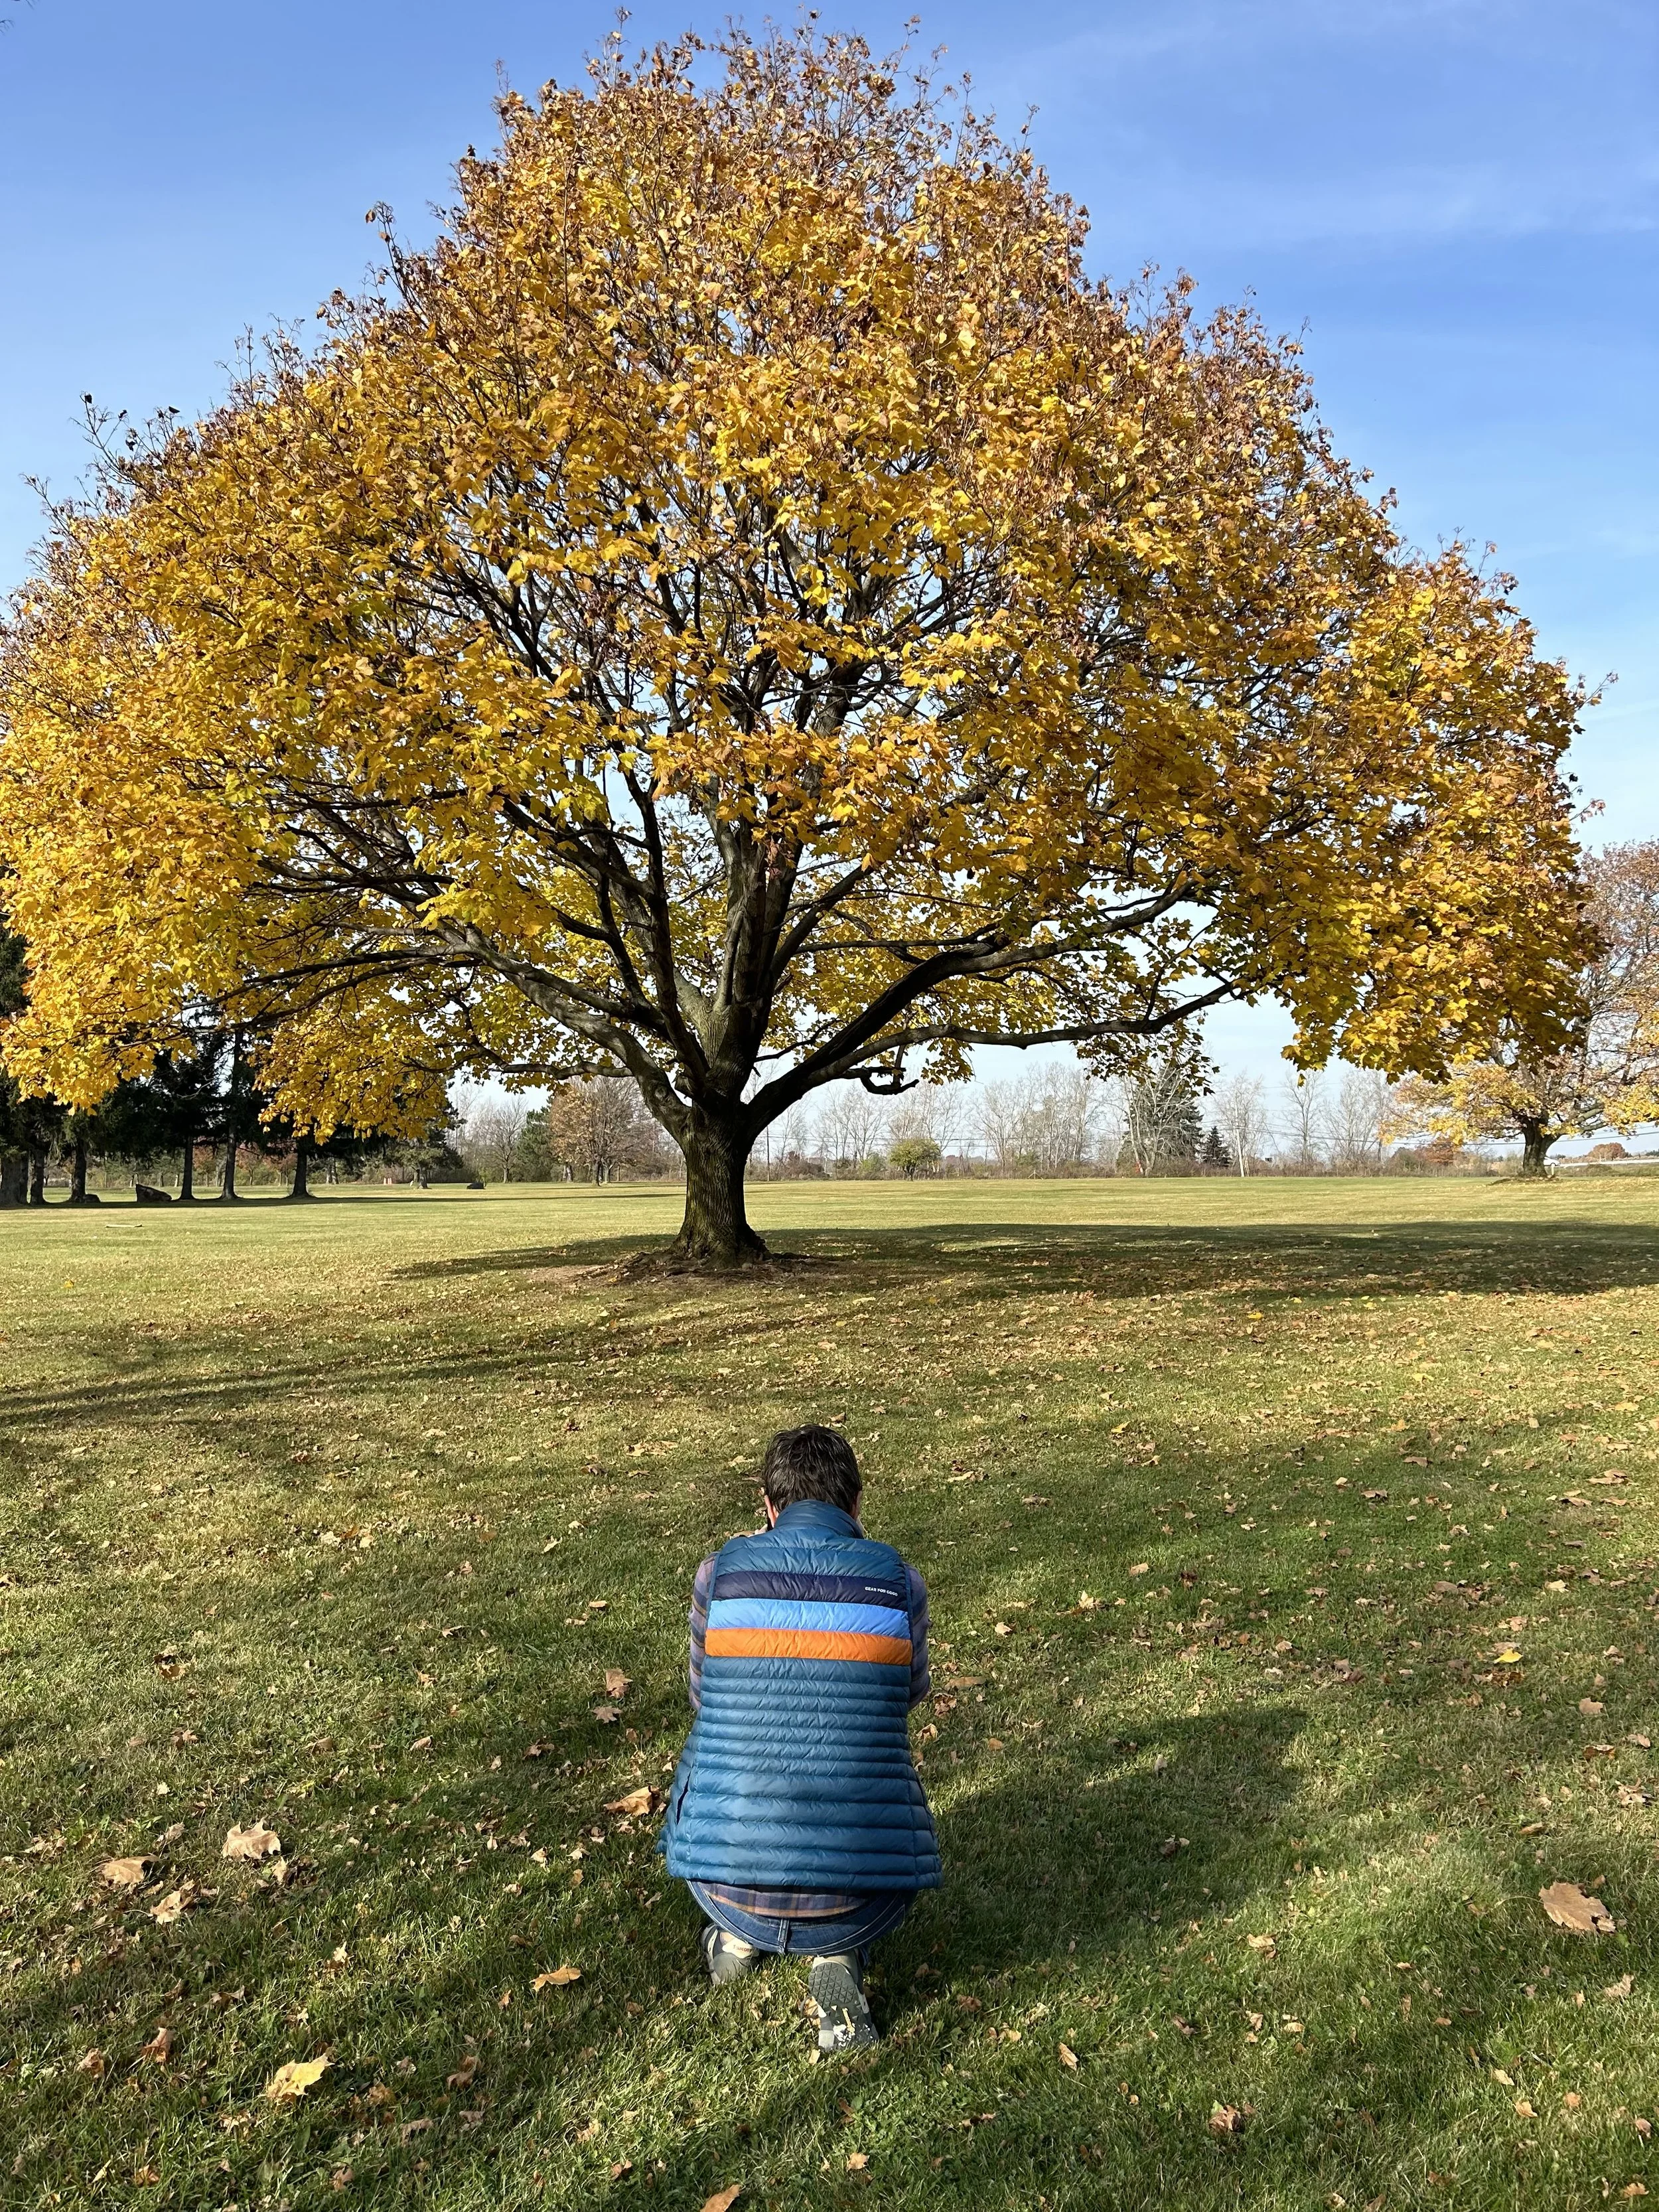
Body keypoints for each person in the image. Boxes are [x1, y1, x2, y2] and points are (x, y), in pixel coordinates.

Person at [661, 1424, 939, 2051]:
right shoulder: (900, 1582)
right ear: (857, 1505)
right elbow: (909, 1692)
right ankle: (838, 1956)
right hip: (866, 1889)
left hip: (724, 1877)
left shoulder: (719, 1572)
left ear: (767, 1503)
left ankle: (734, 1939)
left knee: (711, 1744)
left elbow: (703, 1694)